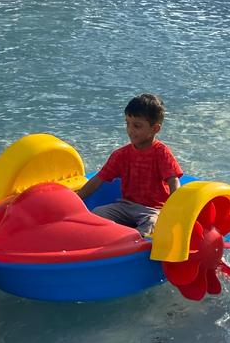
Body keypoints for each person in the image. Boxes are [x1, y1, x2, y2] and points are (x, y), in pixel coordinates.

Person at [77, 93, 183, 236]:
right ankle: (113, 237)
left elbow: (173, 181)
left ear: (155, 129)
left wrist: (175, 210)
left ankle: (132, 242)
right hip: (126, 206)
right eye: (127, 123)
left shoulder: (161, 152)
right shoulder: (121, 154)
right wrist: (76, 199)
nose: (130, 130)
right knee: (96, 213)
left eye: (137, 126)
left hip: (153, 210)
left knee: (152, 223)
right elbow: (99, 179)